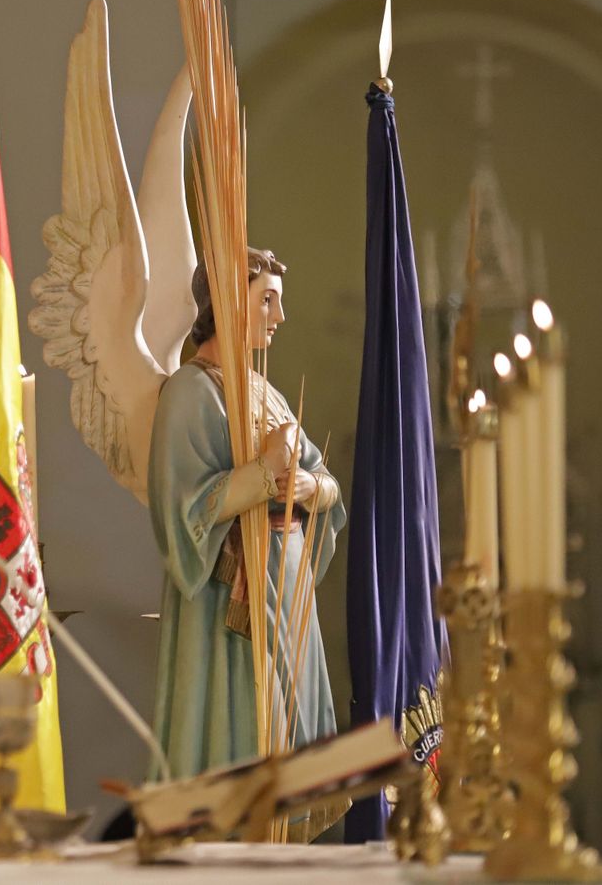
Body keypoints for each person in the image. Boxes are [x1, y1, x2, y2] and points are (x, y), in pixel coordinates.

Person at [146, 248, 348, 842]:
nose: (279, 316)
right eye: (267, 299)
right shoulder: (190, 393)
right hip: (228, 604)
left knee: (286, 736)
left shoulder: (266, 393)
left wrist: (309, 484)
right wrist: (264, 473)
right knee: (241, 725)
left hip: (286, 591)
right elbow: (182, 510)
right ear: (230, 302)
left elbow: (327, 483)